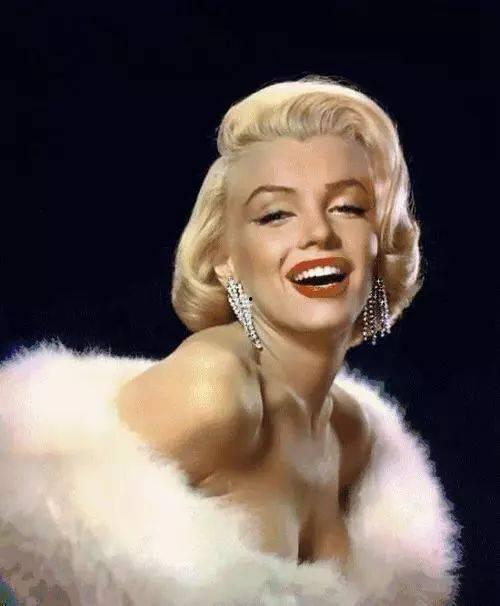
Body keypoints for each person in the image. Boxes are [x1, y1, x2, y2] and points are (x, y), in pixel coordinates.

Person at [0, 75, 463, 605]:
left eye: (348, 207)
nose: (318, 233)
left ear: (381, 243)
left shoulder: (355, 437)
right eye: (275, 214)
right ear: (225, 259)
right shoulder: (214, 393)